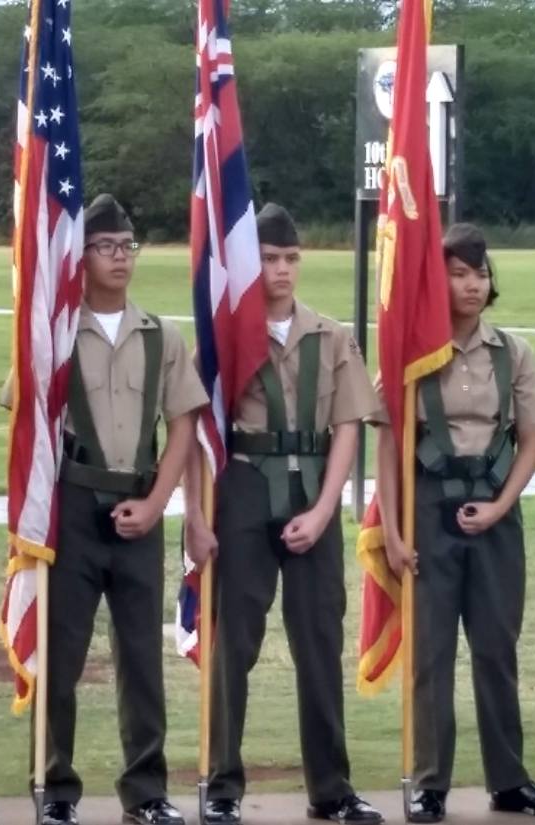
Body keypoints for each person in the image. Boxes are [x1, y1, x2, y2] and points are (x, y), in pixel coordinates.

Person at [184, 203, 384, 825]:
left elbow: (349, 424)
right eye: (269, 259)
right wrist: (195, 514)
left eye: (291, 259)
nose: (282, 270)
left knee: (319, 642)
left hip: (312, 490)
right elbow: (195, 430)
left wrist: (326, 509)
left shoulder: (331, 336)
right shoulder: (225, 335)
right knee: (233, 644)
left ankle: (332, 789)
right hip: (243, 487)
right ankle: (222, 786)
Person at [15, 194, 209, 825]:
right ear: (81, 255)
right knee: (62, 655)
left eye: (127, 246)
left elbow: (183, 424)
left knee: (140, 659)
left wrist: (158, 504)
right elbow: (25, 417)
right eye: (105, 246)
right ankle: (56, 789)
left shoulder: (161, 336)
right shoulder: (57, 333)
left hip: (139, 504)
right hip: (73, 505)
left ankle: (147, 791)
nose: (119, 258)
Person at [377, 224, 535, 823]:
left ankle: (508, 781)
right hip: (428, 509)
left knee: (496, 649)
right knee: (431, 654)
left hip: (493, 509)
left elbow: (532, 442)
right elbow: (387, 446)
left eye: (479, 274)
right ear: (435, 281)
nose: (470, 284)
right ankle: (431, 782)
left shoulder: (512, 353)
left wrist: (500, 506)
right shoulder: (410, 353)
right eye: (457, 273)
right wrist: (391, 530)